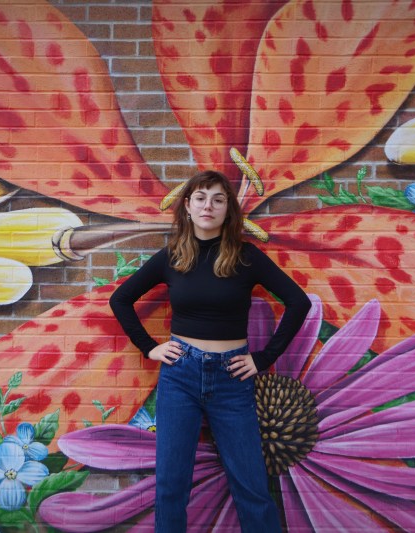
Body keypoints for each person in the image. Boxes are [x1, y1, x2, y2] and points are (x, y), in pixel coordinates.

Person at [109, 170, 311, 532]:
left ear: (227, 209)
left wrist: (264, 358)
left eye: (218, 199)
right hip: (180, 377)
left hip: (232, 378)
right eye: (201, 198)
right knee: (171, 484)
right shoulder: (172, 256)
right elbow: (120, 299)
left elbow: (298, 302)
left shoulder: (247, 257)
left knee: (251, 485)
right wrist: (150, 348)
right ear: (187, 206)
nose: (208, 206)